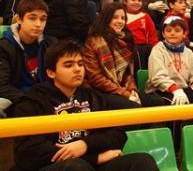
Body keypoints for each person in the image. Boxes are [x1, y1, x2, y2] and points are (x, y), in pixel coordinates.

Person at [10, 39, 160, 171]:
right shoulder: (32, 101)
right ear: (51, 73)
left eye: (80, 64)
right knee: (76, 167)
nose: (77, 69)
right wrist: (95, 158)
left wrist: (85, 144)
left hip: (88, 163)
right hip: (55, 167)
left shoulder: (91, 96)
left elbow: (118, 135)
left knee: (142, 161)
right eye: (68, 65)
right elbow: (29, 153)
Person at [82, 3, 162, 109]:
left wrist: (132, 89)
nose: (120, 21)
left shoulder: (126, 41)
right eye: (115, 17)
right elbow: (95, 78)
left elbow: (127, 73)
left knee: (156, 101)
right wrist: (125, 94)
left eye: (123, 18)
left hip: (121, 88)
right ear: (106, 19)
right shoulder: (93, 41)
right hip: (99, 92)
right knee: (133, 107)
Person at [0, 0, 55, 117]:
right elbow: (2, 85)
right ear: (19, 19)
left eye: (43, 19)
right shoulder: (4, 47)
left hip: (45, 96)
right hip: (17, 97)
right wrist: (30, 100)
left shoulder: (50, 43)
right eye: (32, 18)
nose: (38, 24)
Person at [146, 16, 193, 105]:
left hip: (183, 89)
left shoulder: (188, 52)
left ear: (184, 34)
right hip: (161, 90)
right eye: (168, 31)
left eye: (177, 30)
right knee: (178, 102)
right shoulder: (158, 50)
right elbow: (157, 77)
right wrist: (175, 89)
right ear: (163, 34)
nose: (172, 33)